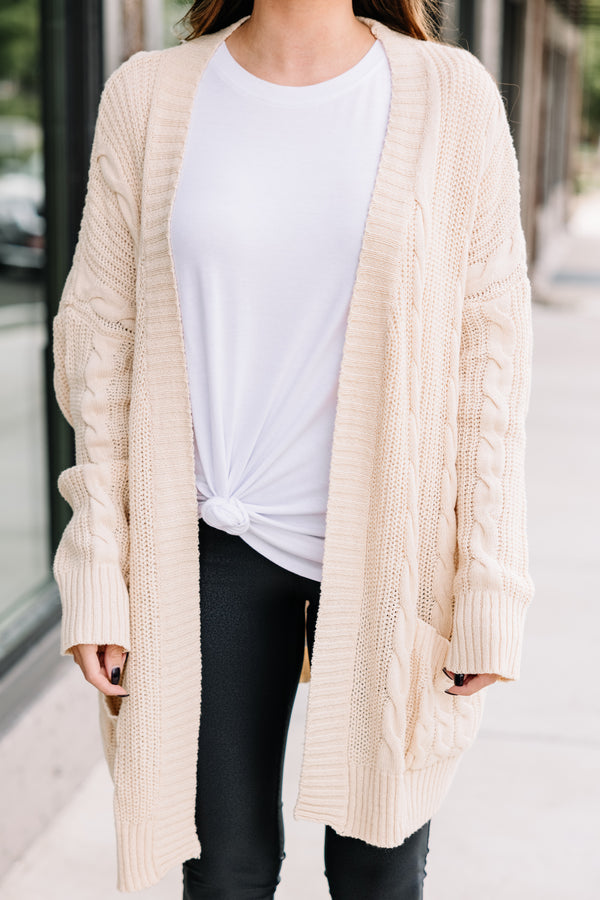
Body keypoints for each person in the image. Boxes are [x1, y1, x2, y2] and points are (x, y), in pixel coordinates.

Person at [51, 1, 534, 897]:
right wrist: (97, 568)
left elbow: (489, 356)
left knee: (378, 873)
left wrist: (489, 581)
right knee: (224, 871)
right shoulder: (150, 96)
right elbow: (99, 349)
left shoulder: (451, 96)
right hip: (205, 550)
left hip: (396, 552)